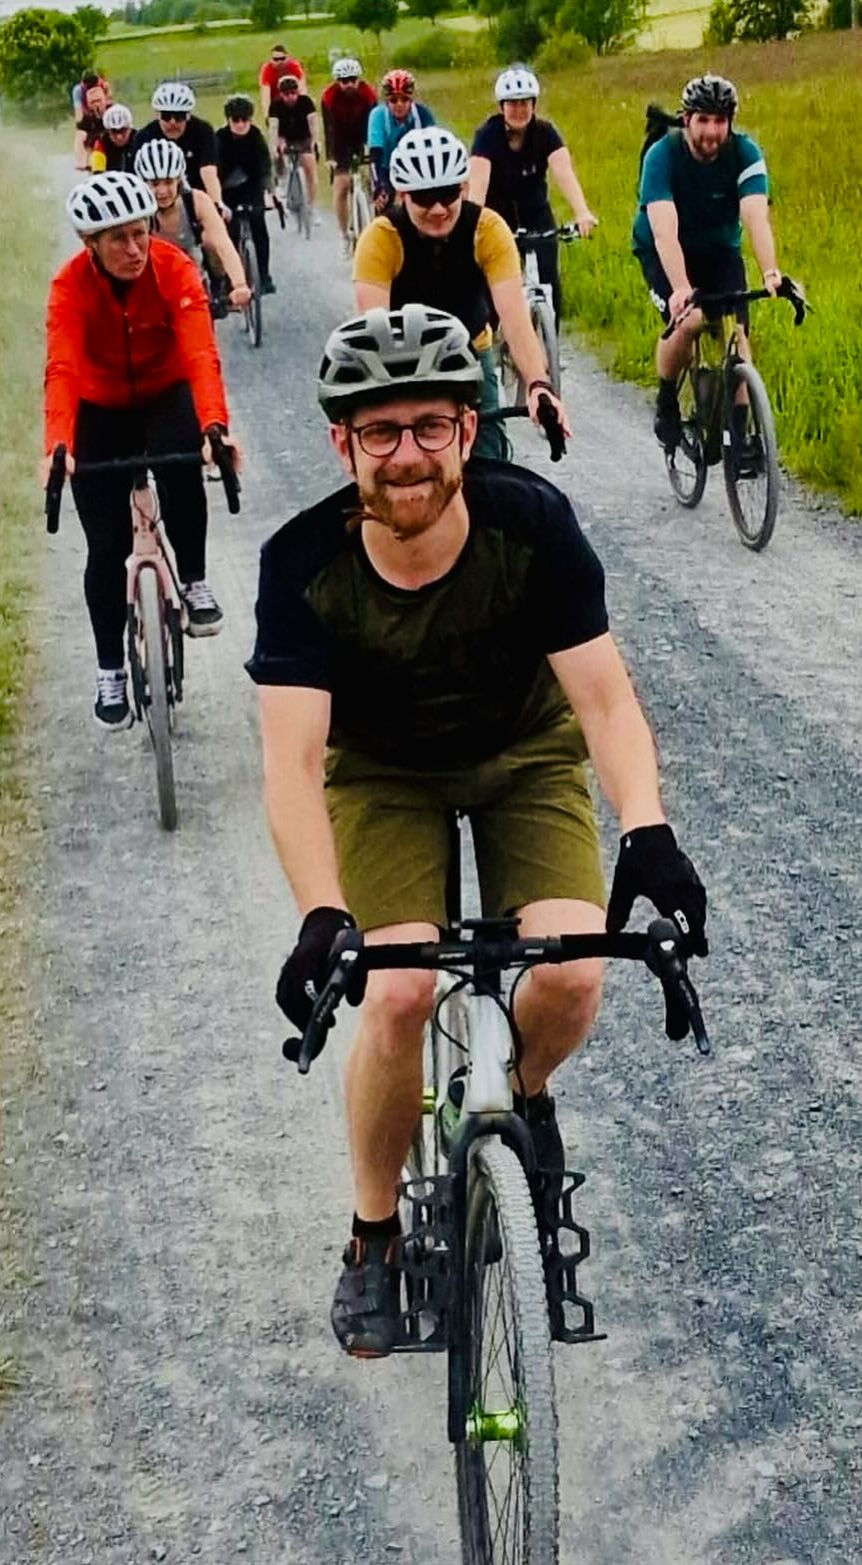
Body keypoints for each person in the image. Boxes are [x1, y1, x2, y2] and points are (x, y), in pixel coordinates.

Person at [246, 303, 708, 1358]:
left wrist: (645, 828)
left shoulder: (530, 525)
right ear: (341, 443)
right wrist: (322, 910)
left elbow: (601, 702)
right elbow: (293, 763)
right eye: (377, 431)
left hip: (521, 757)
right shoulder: (301, 566)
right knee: (399, 985)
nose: (403, 454)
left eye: (426, 426)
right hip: (384, 775)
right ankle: (372, 1234)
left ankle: (524, 1095)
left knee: (572, 969)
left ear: (466, 430)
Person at [45, 172, 241, 728]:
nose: (135, 250)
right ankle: (110, 667)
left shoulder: (175, 268)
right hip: (99, 406)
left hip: (164, 392)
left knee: (183, 469)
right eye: (119, 240)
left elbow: (201, 353)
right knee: (105, 547)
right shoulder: (69, 287)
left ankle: (196, 579)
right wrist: (57, 445)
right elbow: (60, 367)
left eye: (141, 234)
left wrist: (215, 427)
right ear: (91, 245)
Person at [353, 126, 569, 461]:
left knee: (491, 466)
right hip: (404, 360)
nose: (438, 208)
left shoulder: (488, 229)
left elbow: (514, 319)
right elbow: (375, 331)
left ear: (464, 187)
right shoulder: (381, 238)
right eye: (424, 197)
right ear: (402, 194)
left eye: (449, 193)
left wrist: (539, 386)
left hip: (472, 351)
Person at [632, 74, 781, 451]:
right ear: (686, 120)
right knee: (691, 320)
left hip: (717, 251)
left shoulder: (745, 153)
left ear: (730, 122)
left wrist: (771, 272)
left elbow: (755, 216)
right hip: (663, 250)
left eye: (720, 121)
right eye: (704, 120)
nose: (712, 131)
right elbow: (665, 230)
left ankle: (740, 438)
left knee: (736, 334)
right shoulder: (662, 156)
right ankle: (667, 401)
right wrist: (681, 288)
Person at [467, 64, 597, 332]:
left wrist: (582, 212)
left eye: (525, 103)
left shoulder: (545, 133)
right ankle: (493, 343)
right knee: (495, 287)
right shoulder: (487, 136)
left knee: (550, 282)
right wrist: (473, 224)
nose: (519, 110)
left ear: (534, 104)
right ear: (502, 106)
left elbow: (564, 173)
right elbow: (477, 185)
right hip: (497, 214)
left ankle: (550, 345)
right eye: (513, 104)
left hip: (535, 211)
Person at [133, 139, 252, 318]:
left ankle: (217, 284)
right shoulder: (136, 209)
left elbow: (223, 244)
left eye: (168, 182)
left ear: (179, 181)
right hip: (153, 272)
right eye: (154, 184)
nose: (162, 191)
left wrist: (240, 285)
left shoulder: (197, 201)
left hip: (192, 265)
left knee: (211, 240)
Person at [217, 95, 277, 295]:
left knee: (258, 223)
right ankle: (229, 279)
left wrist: (270, 191)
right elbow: (212, 170)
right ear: (228, 120)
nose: (241, 125)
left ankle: (264, 275)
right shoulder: (219, 139)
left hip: (252, 186)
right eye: (236, 120)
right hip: (227, 189)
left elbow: (265, 167)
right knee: (229, 231)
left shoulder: (256, 136)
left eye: (245, 120)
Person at [132, 82, 226, 210]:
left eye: (179, 117)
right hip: (157, 201)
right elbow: (137, 180)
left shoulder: (203, 131)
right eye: (166, 116)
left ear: (188, 115)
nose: (172, 122)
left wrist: (217, 204)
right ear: (157, 115)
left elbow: (208, 171)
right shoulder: (143, 137)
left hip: (196, 198)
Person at [321, 57, 378, 251]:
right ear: (338, 81)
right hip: (340, 139)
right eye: (344, 81)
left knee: (377, 181)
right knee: (341, 186)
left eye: (353, 80)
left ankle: (376, 223)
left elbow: (374, 124)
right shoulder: (329, 97)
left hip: (363, 135)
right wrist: (330, 157)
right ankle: (345, 235)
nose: (349, 85)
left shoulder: (368, 94)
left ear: (359, 79)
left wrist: (374, 150)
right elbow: (329, 128)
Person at [367, 69, 435, 211]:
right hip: (386, 167)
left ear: (412, 100)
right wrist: (380, 186)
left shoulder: (423, 114)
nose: (399, 104)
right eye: (393, 100)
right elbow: (375, 153)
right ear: (386, 101)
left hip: (416, 166)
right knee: (385, 204)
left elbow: (435, 148)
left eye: (404, 99)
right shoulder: (378, 115)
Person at [268, 73, 319, 214]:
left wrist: (315, 141)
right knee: (278, 150)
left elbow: (313, 123)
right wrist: (274, 146)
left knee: (310, 167)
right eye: (286, 94)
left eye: (293, 93)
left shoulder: (306, 102)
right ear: (281, 94)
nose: (290, 97)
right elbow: (273, 127)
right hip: (285, 136)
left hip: (303, 136)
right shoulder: (276, 105)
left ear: (298, 92)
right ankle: (282, 179)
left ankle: (311, 206)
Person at [72, 71, 111, 172]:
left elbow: (109, 100)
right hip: (88, 116)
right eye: (89, 87)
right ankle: (83, 161)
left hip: (104, 113)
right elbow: (78, 111)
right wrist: (81, 123)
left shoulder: (104, 86)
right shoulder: (78, 91)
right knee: (81, 135)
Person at [259, 42, 306, 117]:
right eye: (276, 59)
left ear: (287, 58)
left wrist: (305, 109)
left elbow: (302, 90)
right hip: (276, 105)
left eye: (282, 59)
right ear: (271, 60)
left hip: (293, 101)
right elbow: (265, 95)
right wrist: (267, 115)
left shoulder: (294, 66)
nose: (279, 62)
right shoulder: (267, 70)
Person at [90, 103, 135, 174]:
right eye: (114, 131)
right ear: (108, 131)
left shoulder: (140, 139)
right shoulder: (100, 143)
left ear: (130, 128)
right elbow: (97, 174)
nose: (119, 136)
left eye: (122, 130)